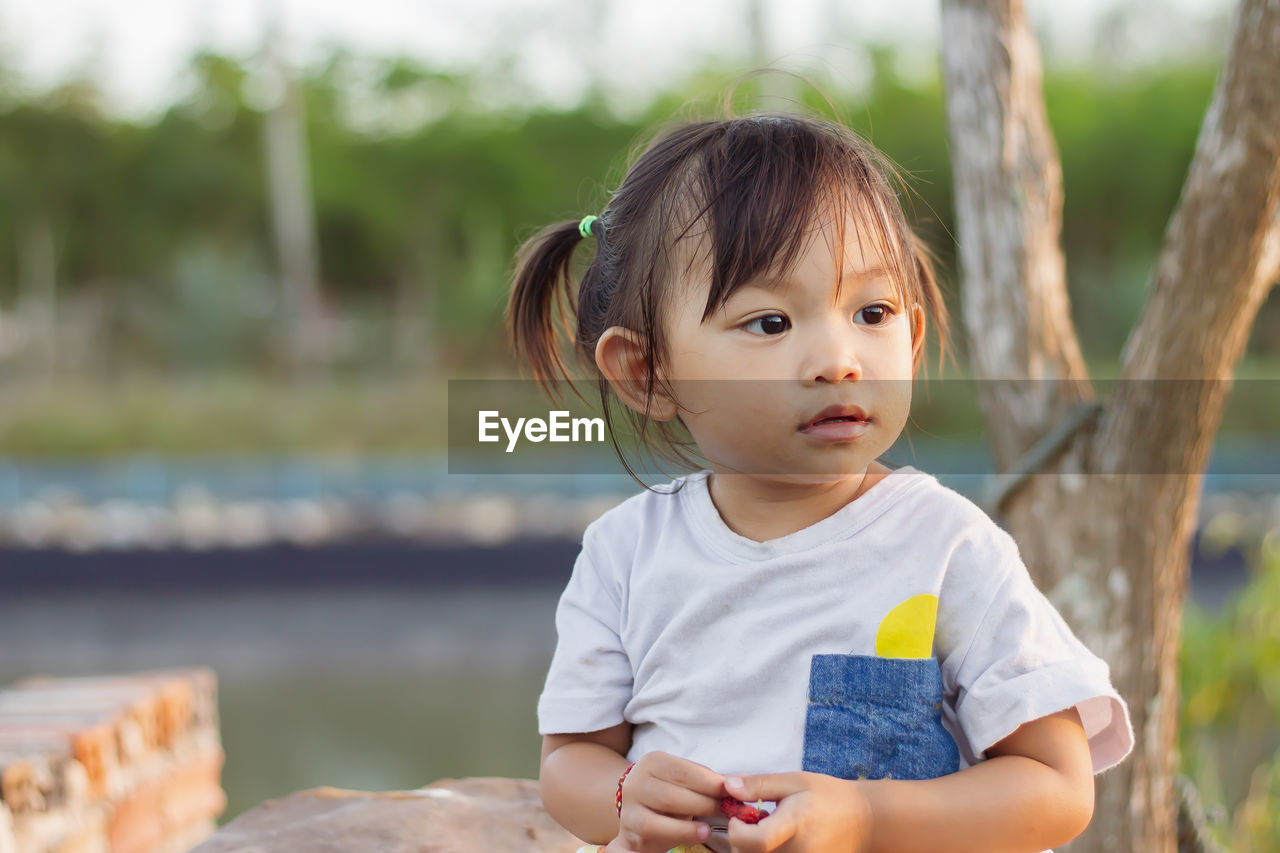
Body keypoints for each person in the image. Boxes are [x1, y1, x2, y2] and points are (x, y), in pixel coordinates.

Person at [504, 109, 1134, 853]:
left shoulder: (945, 546)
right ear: (647, 374)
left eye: (872, 312)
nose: (839, 358)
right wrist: (623, 796)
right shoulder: (625, 555)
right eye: (770, 323)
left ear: (915, 334)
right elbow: (569, 761)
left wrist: (869, 817)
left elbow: (1057, 787)